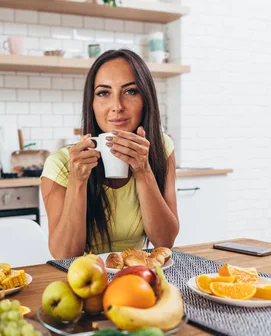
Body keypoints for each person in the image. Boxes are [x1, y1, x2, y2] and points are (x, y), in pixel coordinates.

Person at [41, 49, 179, 260]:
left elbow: (165, 242)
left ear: (146, 99)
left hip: (138, 275)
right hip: (84, 279)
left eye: (131, 91)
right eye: (104, 93)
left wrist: (143, 171)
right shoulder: (60, 163)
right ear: (92, 103)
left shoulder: (161, 148)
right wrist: (78, 180)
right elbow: (64, 255)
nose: (117, 107)